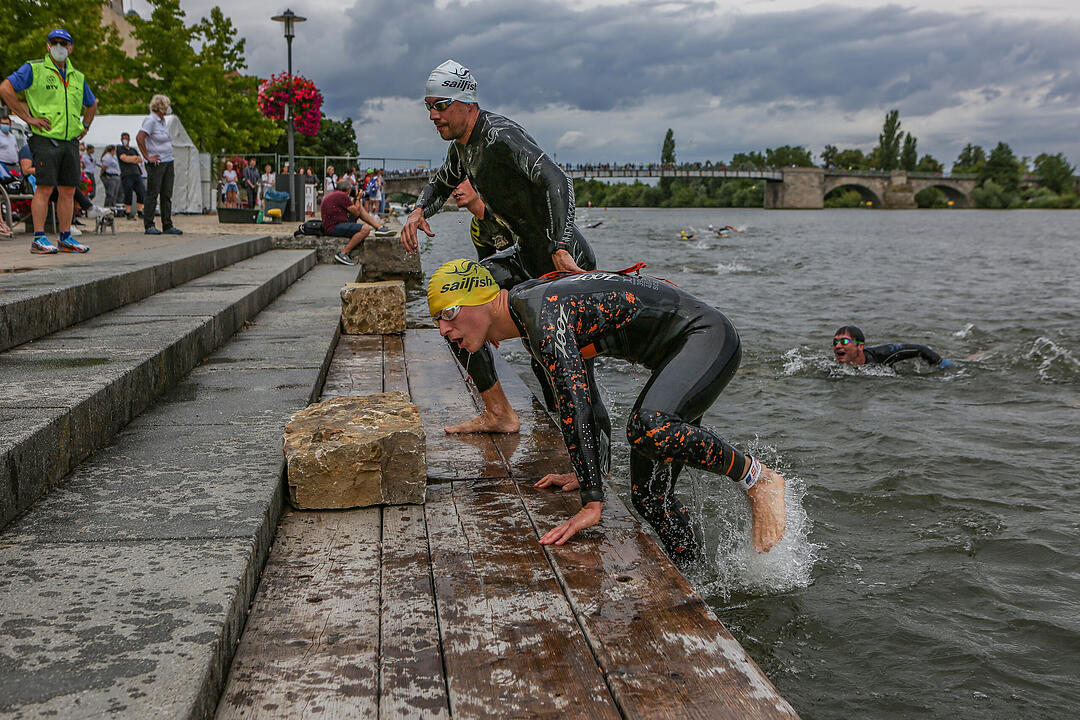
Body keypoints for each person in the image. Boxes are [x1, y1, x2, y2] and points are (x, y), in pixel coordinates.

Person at [427, 259, 788, 562]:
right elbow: (586, 394)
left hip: (706, 337)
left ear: (481, 299)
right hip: (681, 355)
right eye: (437, 320)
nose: (443, 329)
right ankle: (697, 575)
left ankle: (757, 478)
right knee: (650, 500)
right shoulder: (531, 313)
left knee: (649, 427)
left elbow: (576, 405)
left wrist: (591, 502)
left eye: (449, 313)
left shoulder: (542, 316)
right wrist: (592, 473)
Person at [400, 59, 600, 435]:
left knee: (564, 371)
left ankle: (591, 456)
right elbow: (440, 185)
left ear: (466, 103)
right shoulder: (462, 149)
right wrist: (418, 211)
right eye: (428, 106)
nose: (432, 115)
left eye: (440, 105)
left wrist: (560, 244)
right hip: (525, 255)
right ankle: (498, 413)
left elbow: (558, 180)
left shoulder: (499, 135)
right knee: (453, 304)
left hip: (565, 257)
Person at [0, 28, 96, 254]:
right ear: (48, 46)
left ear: (71, 48)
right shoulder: (34, 69)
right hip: (45, 138)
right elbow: (5, 87)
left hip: (69, 140)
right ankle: (38, 238)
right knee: (44, 188)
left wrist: (85, 126)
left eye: (64, 43)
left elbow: (91, 103)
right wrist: (26, 118)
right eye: (55, 42)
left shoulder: (77, 76)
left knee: (68, 190)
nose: (59, 46)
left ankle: (65, 237)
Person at [320, 178, 396, 265]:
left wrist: (357, 200)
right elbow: (356, 212)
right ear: (348, 189)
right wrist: (358, 198)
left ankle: (379, 228)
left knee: (360, 208)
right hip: (334, 228)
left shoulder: (335, 194)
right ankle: (343, 253)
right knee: (365, 229)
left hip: (332, 224)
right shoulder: (342, 196)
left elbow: (355, 210)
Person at [137, 94, 182, 235]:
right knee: (153, 193)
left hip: (168, 160)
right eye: (167, 106)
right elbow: (140, 137)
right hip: (157, 163)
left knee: (166, 194)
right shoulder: (151, 121)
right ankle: (149, 224)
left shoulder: (162, 121)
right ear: (161, 107)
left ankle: (167, 224)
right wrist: (147, 157)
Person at [832, 325, 954, 368]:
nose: (838, 346)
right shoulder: (834, 368)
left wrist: (943, 365)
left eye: (844, 341)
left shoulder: (882, 354)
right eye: (835, 342)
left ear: (860, 346)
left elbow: (920, 349)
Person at [117, 132, 145, 219]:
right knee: (128, 193)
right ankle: (128, 212)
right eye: (123, 138)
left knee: (141, 192)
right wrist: (134, 158)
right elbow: (124, 158)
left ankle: (140, 211)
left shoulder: (133, 149)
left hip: (137, 173)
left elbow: (140, 159)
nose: (125, 140)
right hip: (127, 174)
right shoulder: (120, 149)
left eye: (126, 138)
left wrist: (131, 158)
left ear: (129, 139)